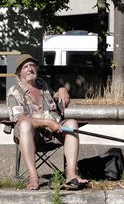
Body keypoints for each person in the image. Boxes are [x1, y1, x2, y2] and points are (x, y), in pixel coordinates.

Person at [6, 53, 88, 190]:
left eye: (32, 65)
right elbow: (19, 118)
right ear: (19, 72)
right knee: (25, 124)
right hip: (32, 136)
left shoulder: (42, 85)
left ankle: (71, 175)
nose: (30, 69)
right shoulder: (15, 92)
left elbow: (55, 97)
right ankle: (33, 177)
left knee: (72, 123)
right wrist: (47, 122)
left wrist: (62, 90)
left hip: (54, 133)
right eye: (25, 66)